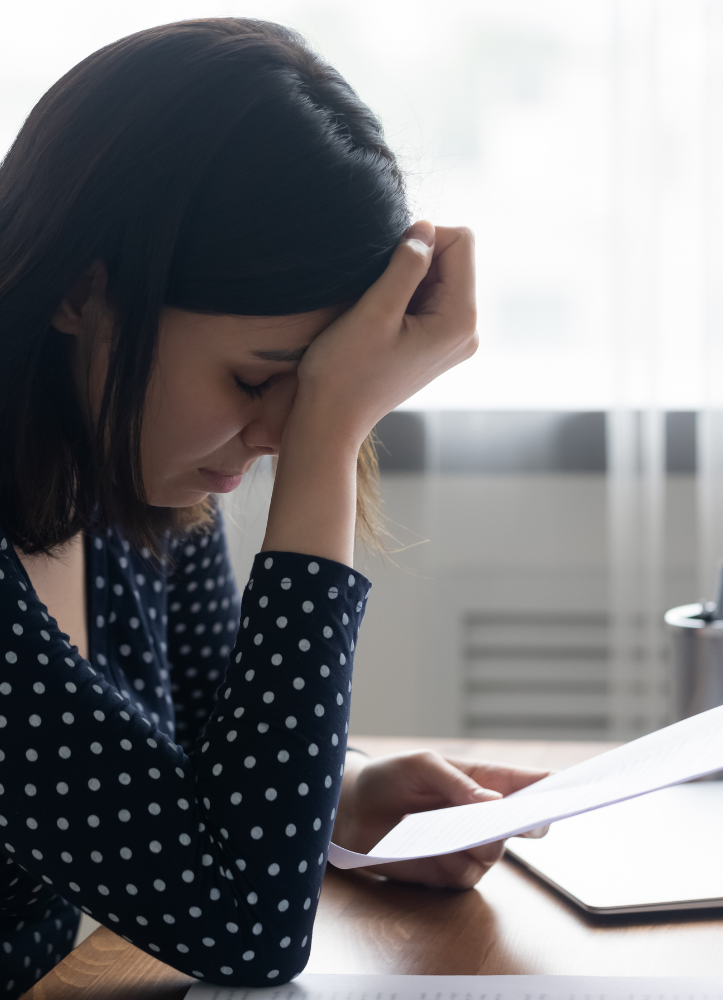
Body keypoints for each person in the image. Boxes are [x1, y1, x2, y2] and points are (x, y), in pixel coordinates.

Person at [0, 17, 548, 997]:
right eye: (262, 380)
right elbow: (243, 926)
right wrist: (334, 429)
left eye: (319, 387)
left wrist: (338, 792)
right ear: (84, 293)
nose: (279, 438)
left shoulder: (127, 482)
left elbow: (210, 762)